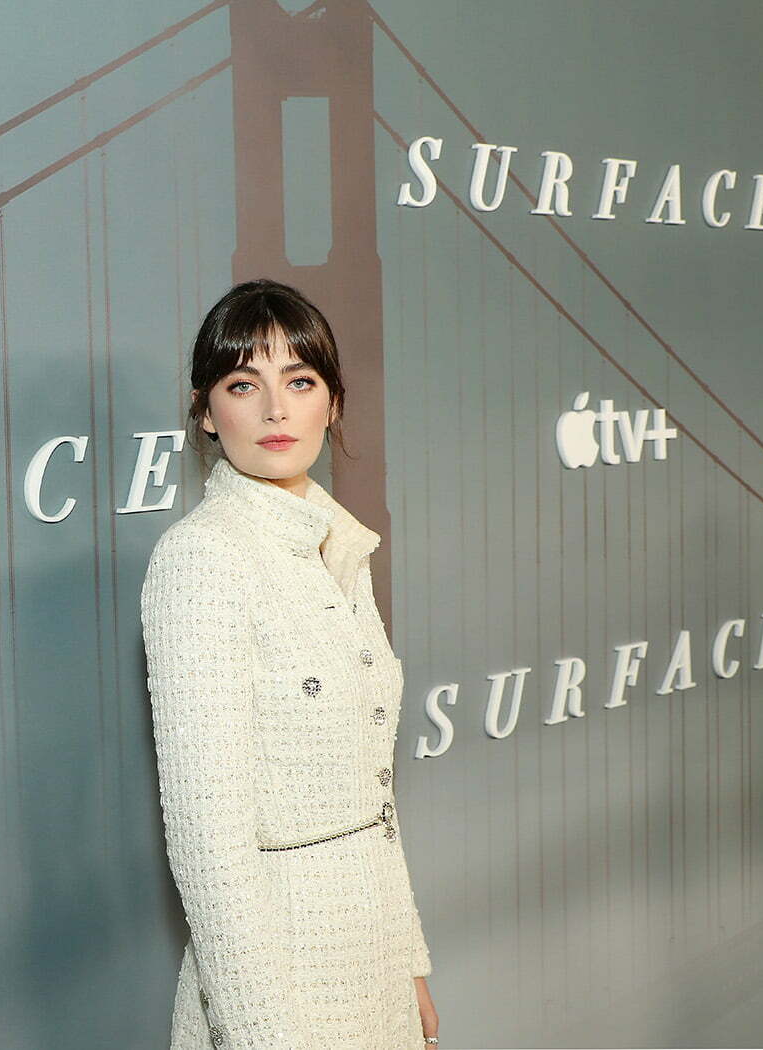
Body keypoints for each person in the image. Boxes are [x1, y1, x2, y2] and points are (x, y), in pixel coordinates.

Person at [139, 279, 441, 1049]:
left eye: (298, 381)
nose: (275, 410)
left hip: (371, 960)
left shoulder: (337, 546)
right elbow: (207, 845)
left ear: (331, 403)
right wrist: (260, 1032)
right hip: (279, 980)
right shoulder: (202, 559)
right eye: (244, 384)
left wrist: (405, 960)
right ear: (206, 413)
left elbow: (373, 793)